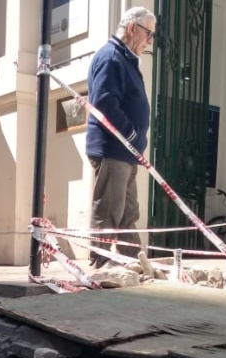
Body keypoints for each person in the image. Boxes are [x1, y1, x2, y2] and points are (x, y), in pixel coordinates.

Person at [85, 7, 155, 268]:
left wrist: (135, 141)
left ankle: (133, 264)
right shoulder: (112, 57)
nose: (150, 41)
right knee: (109, 213)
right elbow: (104, 103)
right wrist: (132, 133)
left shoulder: (124, 58)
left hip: (126, 152)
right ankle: (100, 265)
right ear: (132, 28)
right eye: (149, 34)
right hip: (114, 149)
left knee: (128, 212)